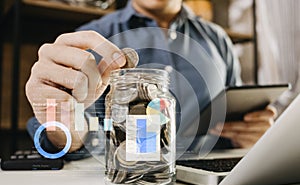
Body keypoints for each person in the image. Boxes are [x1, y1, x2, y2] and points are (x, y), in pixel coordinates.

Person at [25, 0, 275, 156]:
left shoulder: (218, 40)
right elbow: (70, 129)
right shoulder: (91, 39)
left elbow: (237, 116)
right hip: (125, 182)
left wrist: (256, 135)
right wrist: (63, 131)